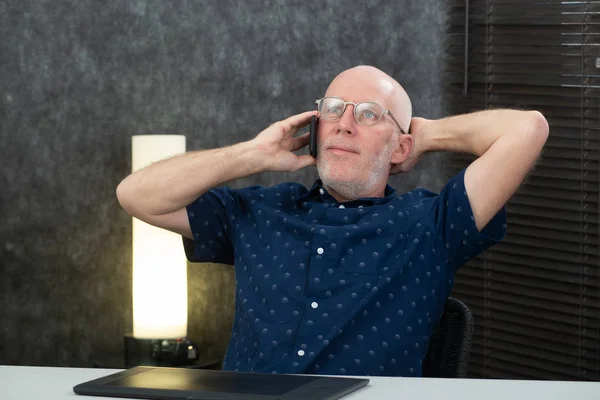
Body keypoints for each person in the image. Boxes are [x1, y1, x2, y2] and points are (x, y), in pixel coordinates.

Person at [116, 65, 549, 377]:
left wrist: (423, 136)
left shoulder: (431, 224)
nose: (344, 125)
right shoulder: (260, 211)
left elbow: (527, 129)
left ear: (400, 147)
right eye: (335, 109)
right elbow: (136, 195)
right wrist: (250, 154)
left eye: (368, 115)